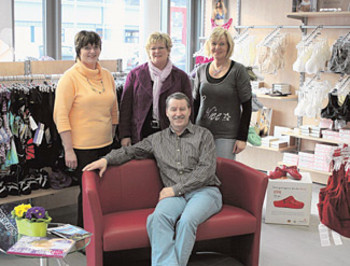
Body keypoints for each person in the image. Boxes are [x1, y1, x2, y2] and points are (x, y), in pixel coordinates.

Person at [83, 92, 222, 266]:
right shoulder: (157, 139)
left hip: (204, 192)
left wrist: (175, 189)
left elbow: (206, 171)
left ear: (189, 111)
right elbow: (130, 151)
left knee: (186, 221)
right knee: (156, 219)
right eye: (173, 109)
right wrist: (106, 159)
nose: (178, 113)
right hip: (174, 197)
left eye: (182, 109)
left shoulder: (204, 135)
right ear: (166, 112)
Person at [53, 30, 119, 227]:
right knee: (88, 192)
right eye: (87, 47)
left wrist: (113, 135)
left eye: (95, 47)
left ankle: (101, 231)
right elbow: (60, 115)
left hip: (106, 145)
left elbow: (114, 109)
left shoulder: (107, 75)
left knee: (104, 191)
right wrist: (68, 149)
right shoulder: (69, 78)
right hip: (82, 149)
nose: (92, 51)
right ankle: (84, 235)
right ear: (78, 51)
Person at [118, 32, 193, 147]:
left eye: (161, 47)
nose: (157, 51)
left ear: (168, 50)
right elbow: (125, 108)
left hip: (172, 133)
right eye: (153, 48)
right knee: (143, 165)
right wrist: (124, 135)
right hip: (141, 133)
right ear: (148, 51)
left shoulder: (181, 77)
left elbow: (189, 109)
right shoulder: (135, 75)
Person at [193, 27, 252, 160]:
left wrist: (242, 138)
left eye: (222, 44)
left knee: (223, 174)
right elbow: (195, 104)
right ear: (209, 46)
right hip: (201, 132)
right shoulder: (201, 70)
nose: (217, 47)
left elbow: (247, 106)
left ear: (228, 46)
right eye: (214, 43)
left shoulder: (238, 70)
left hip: (227, 135)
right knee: (201, 175)